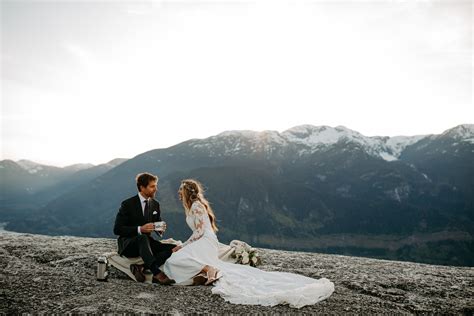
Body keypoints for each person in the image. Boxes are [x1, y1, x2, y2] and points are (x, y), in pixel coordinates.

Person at [162, 179, 335, 308]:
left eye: (180, 191)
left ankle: (208, 270)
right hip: (203, 239)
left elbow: (199, 231)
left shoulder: (196, 206)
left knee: (174, 260)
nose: (178, 193)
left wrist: (183, 246)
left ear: (186, 192)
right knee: (176, 259)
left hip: (205, 240)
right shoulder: (194, 206)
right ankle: (206, 270)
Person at [113, 172, 175, 285]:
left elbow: (157, 223)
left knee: (174, 248)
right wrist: (140, 229)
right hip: (129, 244)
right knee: (142, 238)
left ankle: (140, 267)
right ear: (142, 187)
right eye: (152, 186)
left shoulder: (155, 204)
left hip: (146, 244)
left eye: (156, 186)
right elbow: (117, 229)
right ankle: (157, 274)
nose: (155, 189)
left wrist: (160, 229)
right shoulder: (127, 204)